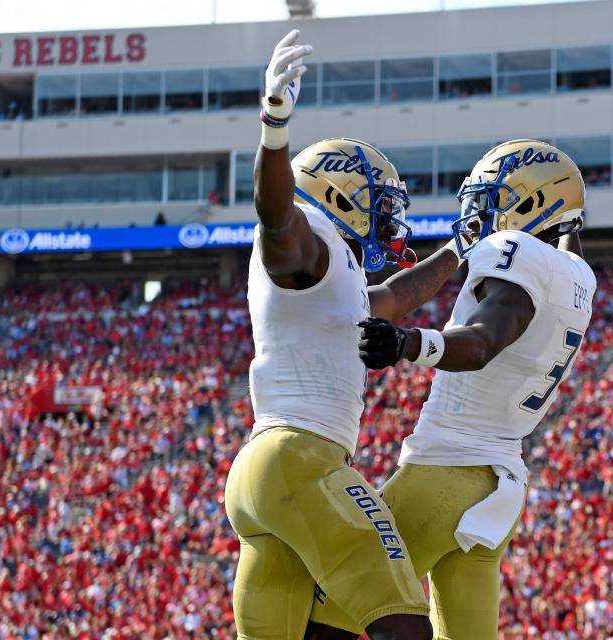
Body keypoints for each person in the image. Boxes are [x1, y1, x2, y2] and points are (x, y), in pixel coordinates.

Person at [223, 30, 460, 640]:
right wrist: (275, 126)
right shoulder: (310, 239)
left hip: (265, 471)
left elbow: (395, 297)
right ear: (340, 195)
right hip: (301, 461)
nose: (390, 223)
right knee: (404, 619)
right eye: (380, 208)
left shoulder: (336, 273)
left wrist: (460, 250)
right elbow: (275, 216)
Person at [310, 139, 595, 640]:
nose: (477, 214)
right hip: (499, 481)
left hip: (444, 473)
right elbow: (566, 243)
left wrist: (409, 343)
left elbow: (484, 340)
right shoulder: (576, 274)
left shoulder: (517, 250)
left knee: (326, 618)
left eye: (491, 200)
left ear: (529, 203)